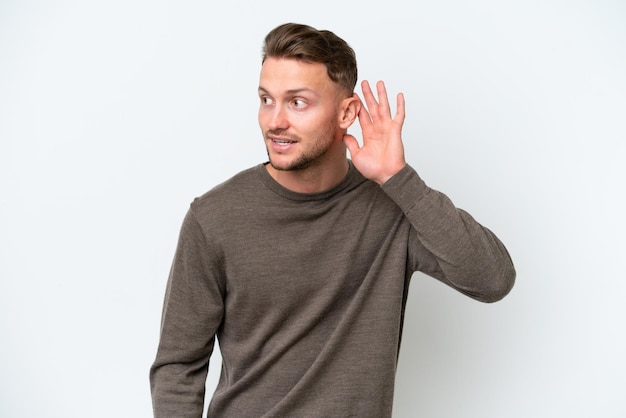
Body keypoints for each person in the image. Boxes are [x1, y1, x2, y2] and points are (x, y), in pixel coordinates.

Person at [149, 22, 515, 418]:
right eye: (266, 99)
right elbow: (178, 365)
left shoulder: (394, 208)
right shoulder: (214, 218)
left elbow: (492, 279)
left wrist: (399, 180)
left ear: (347, 112)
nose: (275, 121)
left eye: (297, 102)